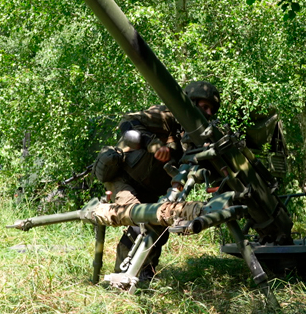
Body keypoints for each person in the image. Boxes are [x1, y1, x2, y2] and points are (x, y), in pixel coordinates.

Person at [94, 81, 220, 282]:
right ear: (191, 103)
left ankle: (145, 273)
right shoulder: (166, 116)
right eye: (204, 107)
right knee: (138, 221)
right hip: (123, 177)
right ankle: (121, 276)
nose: (208, 113)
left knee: (159, 224)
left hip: (151, 188)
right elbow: (127, 123)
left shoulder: (196, 137)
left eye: (211, 110)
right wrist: (153, 144)